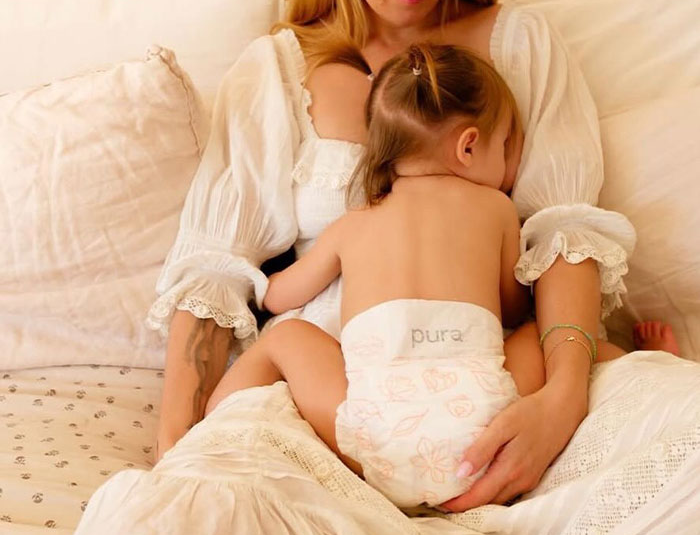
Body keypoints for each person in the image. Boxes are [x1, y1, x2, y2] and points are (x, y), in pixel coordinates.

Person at [47, 0, 698, 535]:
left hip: (505, 396)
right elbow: (215, 272)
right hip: (325, 423)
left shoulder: (521, 49)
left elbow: (564, 238)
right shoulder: (278, 71)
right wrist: (177, 447)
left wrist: (560, 399)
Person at [205, 42, 630, 509]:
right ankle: (634, 356)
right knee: (547, 334)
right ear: (469, 145)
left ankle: (208, 434)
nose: (512, 162)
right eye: (507, 144)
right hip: (482, 431)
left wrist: (265, 285)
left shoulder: (352, 223)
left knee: (284, 339)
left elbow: (280, 298)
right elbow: (512, 308)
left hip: (374, 436)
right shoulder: (496, 208)